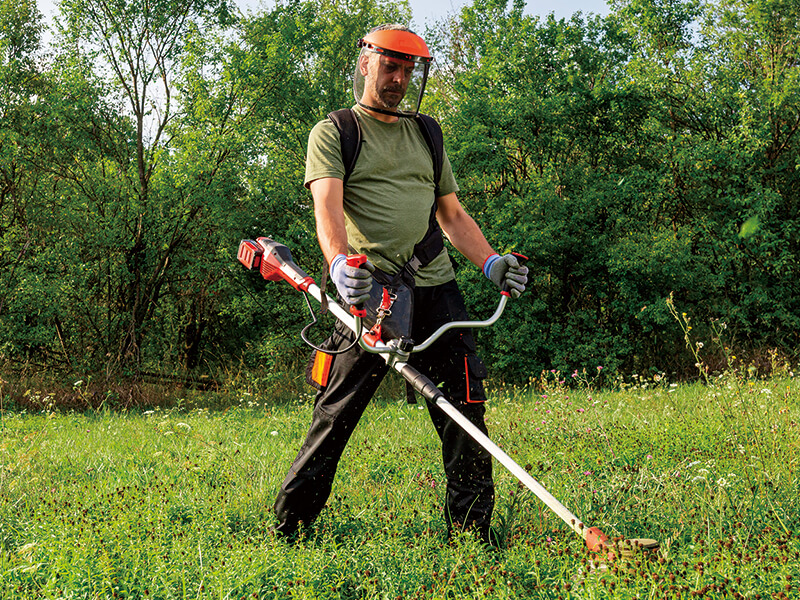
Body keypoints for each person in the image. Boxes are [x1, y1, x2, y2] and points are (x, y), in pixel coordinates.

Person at [273, 24, 528, 544]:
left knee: (464, 413)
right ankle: (289, 529)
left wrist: (491, 263)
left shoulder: (427, 133)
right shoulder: (337, 131)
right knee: (336, 414)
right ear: (365, 64)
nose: (399, 79)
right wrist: (339, 265)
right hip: (371, 293)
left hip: (438, 288)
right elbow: (327, 211)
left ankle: (472, 536)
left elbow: (452, 216)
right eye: (391, 67)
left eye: (408, 71)